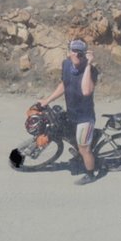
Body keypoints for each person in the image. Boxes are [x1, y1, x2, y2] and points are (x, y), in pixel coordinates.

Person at [38, 39, 100, 185]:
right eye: (74, 51)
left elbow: (86, 90)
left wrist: (88, 65)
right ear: (69, 52)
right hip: (72, 112)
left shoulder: (91, 70)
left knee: (83, 148)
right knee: (66, 134)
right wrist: (48, 100)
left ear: (85, 53)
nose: (76, 54)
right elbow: (65, 84)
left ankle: (90, 174)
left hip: (85, 117)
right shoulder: (66, 65)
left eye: (80, 52)